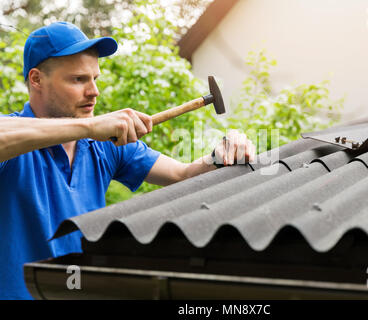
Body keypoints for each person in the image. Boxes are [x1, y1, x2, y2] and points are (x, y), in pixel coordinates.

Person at [0, 21, 256, 299]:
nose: (94, 91)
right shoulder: (14, 137)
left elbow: (183, 175)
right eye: (78, 79)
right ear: (37, 79)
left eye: (94, 78)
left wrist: (219, 156)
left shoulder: (105, 145)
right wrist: (90, 127)